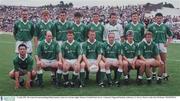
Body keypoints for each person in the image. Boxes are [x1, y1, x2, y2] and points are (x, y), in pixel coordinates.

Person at [148, 13, 173, 80]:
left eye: (160, 18)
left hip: (162, 45)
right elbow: (147, 35)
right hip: (154, 44)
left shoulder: (165, 26)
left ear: (162, 18)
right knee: (154, 60)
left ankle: (164, 75)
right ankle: (153, 74)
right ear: (155, 19)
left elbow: (170, 36)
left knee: (163, 60)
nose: (159, 19)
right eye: (157, 18)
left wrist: (168, 43)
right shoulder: (151, 26)